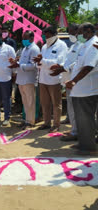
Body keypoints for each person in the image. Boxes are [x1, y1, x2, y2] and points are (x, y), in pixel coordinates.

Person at [65, 23, 98, 155]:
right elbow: (78, 64)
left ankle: (89, 148)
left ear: (89, 31)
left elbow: (88, 67)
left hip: (87, 90)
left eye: (80, 32)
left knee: (86, 119)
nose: (78, 35)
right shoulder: (87, 44)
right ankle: (83, 144)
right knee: (81, 120)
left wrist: (73, 81)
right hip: (80, 90)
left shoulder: (94, 44)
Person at [50, 24, 82, 141]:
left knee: (76, 108)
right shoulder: (74, 45)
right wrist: (61, 67)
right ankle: (74, 129)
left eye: (72, 32)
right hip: (69, 80)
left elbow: (79, 63)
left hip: (76, 82)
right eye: (70, 33)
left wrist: (63, 68)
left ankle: (76, 132)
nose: (71, 35)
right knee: (71, 107)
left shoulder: (82, 46)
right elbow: (69, 62)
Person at [33, 26, 68, 133]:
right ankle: (46, 123)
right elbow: (41, 63)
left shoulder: (62, 46)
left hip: (54, 79)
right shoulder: (44, 47)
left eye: (48, 35)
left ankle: (56, 124)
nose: (46, 37)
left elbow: (59, 63)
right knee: (45, 103)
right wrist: (39, 63)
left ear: (54, 35)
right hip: (43, 79)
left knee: (56, 103)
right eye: (45, 35)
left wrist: (43, 61)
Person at [9, 31, 40, 129]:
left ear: (31, 38)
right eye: (23, 38)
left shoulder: (34, 49)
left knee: (30, 101)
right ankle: (26, 120)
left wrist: (19, 65)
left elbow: (34, 66)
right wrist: (15, 62)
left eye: (25, 38)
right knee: (25, 102)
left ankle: (30, 121)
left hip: (29, 79)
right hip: (21, 79)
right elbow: (22, 62)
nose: (23, 40)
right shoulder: (25, 49)